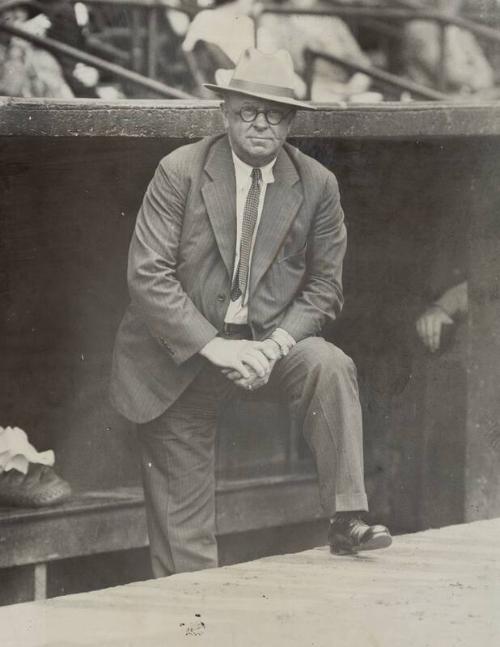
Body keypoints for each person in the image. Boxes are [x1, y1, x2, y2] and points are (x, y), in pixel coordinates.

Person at [110, 47, 392, 578]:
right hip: (182, 355)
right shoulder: (180, 171)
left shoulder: (317, 185)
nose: (262, 123)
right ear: (225, 112)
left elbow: (325, 288)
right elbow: (147, 276)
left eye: (276, 113)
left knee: (328, 365)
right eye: (248, 110)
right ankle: (192, 620)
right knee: (186, 554)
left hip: (268, 346)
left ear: (291, 121)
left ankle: (348, 517)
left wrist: (274, 346)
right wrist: (218, 347)